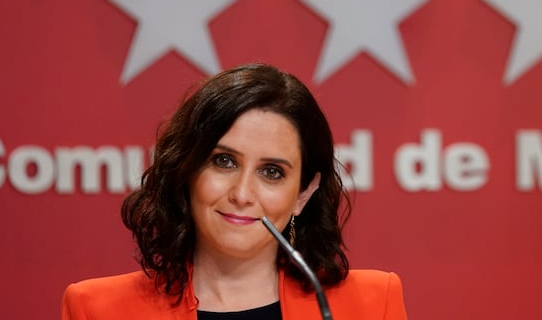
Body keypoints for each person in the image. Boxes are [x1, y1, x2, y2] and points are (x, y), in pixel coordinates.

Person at [61, 62, 408, 319]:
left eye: (272, 172)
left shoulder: (373, 305)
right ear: (188, 169)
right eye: (224, 161)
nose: (242, 194)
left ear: (304, 194)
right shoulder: (97, 309)